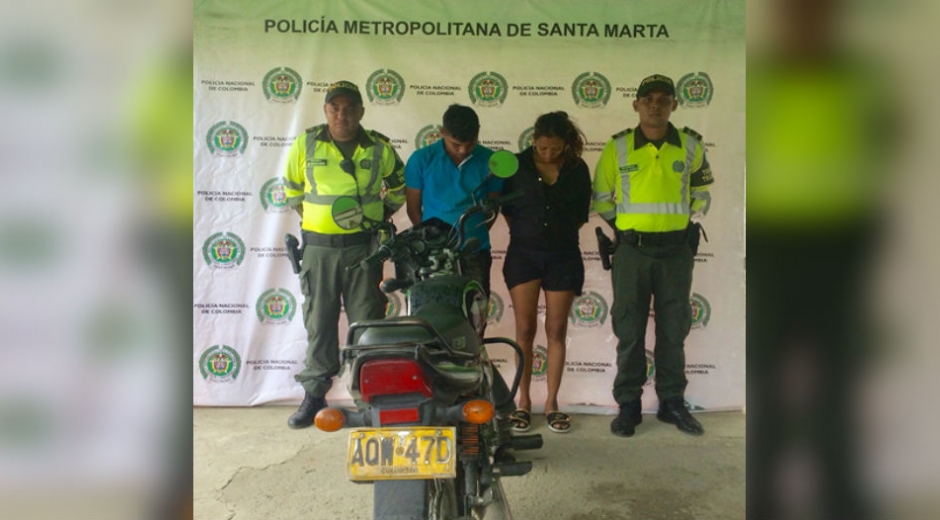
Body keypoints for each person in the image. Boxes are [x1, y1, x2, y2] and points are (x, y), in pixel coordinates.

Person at [593, 74, 714, 437]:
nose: (656, 105)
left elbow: (703, 191)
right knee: (629, 329)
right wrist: (627, 229)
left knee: (673, 330)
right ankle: (628, 405)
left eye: (664, 99)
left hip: (677, 252)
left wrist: (680, 220)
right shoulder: (617, 148)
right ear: (636, 105)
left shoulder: (691, 145)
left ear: (675, 104)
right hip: (633, 252)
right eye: (648, 99)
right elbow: (601, 198)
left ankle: (672, 403)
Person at [281, 80, 406, 429]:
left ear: (361, 111)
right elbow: (291, 187)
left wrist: (377, 218)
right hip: (319, 249)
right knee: (319, 323)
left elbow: (398, 187)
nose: (342, 114)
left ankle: (369, 399)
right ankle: (315, 396)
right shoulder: (306, 142)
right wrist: (312, 219)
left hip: (362, 250)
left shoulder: (379, 147)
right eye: (335, 107)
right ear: (325, 111)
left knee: (367, 324)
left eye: (350, 107)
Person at [500, 112, 592, 434]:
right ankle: (523, 402)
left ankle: (552, 403)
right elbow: (508, 210)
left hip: (563, 256)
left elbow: (581, 215)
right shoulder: (515, 165)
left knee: (556, 330)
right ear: (533, 140)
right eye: (542, 149)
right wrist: (530, 234)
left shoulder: (578, 170)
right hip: (523, 255)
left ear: (566, 144)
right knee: (524, 330)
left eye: (554, 149)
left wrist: (554, 235)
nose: (548, 154)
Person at [404, 104, 502, 296]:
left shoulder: (492, 161)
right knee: (434, 313)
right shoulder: (421, 159)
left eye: (471, 143)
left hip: (475, 250)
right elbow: (413, 207)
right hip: (433, 253)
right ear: (442, 133)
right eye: (456, 144)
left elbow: (493, 208)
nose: (464, 150)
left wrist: (473, 232)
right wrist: (432, 238)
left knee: (475, 314)